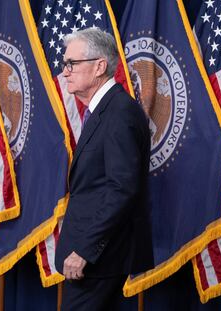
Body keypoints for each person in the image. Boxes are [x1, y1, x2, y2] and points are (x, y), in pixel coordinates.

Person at [55, 28, 153, 310]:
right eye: (65, 65)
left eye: (71, 64)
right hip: (98, 258)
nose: (65, 73)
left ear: (100, 66)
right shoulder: (105, 110)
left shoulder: (119, 112)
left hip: (99, 259)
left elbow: (122, 188)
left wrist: (86, 249)